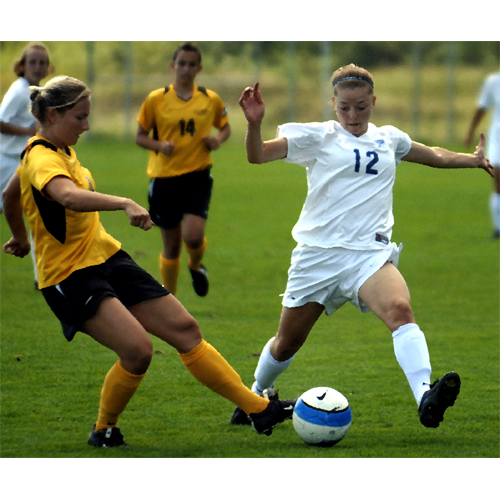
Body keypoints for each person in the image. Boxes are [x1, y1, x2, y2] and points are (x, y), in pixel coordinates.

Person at [2, 75, 294, 448]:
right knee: (138, 351)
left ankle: (258, 409)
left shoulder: (55, 151)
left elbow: (11, 193)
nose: (87, 125)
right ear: (55, 115)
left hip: (106, 257)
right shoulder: (41, 156)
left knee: (186, 329)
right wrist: (124, 202)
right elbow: (68, 197)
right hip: (70, 275)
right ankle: (105, 428)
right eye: (80, 117)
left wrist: (19, 235)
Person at [231, 65, 494, 430]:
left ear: (374, 102)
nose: (353, 116)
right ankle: (255, 395)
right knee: (286, 344)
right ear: (333, 104)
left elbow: (432, 153)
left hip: (368, 255)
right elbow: (257, 154)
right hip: (318, 256)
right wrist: (254, 123)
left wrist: (473, 159)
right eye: (344, 108)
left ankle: (425, 396)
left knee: (401, 310)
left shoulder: (390, 139)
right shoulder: (317, 137)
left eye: (361, 107)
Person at [135, 42, 231, 298]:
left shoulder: (209, 99)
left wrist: (217, 140)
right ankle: (171, 300)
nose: (186, 69)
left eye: (191, 64)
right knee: (172, 246)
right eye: (181, 63)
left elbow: (225, 127)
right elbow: (139, 136)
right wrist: (158, 145)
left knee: (193, 236)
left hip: (197, 176)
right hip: (164, 179)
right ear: (172, 66)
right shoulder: (156, 99)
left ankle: (196, 265)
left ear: (199, 68)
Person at [0, 42, 54, 288]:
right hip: (6, 162)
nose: (37, 66)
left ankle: (40, 276)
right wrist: (28, 131)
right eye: (32, 61)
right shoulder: (20, 90)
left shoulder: (36, 91)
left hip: (22, 163)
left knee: (38, 215)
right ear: (22, 65)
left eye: (42, 62)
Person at [465, 69, 500, 238]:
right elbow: (481, 108)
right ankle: (498, 228)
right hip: (498, 138)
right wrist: (470, 132)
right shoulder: (493, 81)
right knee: (498, 180)